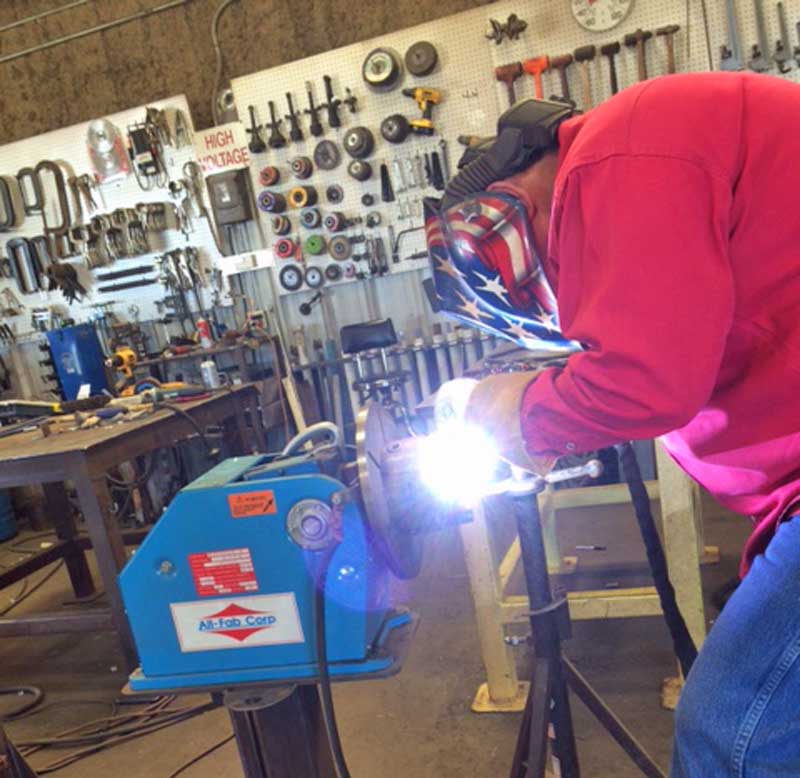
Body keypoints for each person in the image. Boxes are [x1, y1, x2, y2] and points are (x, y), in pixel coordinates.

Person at [425, 72, 800, 777]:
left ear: (520, 187)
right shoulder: (642, 164)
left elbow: (647, 383)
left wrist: (515, 413)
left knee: (733, 732)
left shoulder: (611, 155)